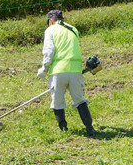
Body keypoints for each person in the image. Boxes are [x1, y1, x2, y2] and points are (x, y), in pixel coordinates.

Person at [38, 9, 96, 137]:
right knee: (80, 100)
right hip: (75, 71)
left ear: (50, 20)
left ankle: (63, 129)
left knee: (57, 101)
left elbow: (49, 51)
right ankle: (89, 128)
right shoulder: (73, 29)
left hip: (58, 71)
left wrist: (44, 69)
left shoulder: (50, 30)